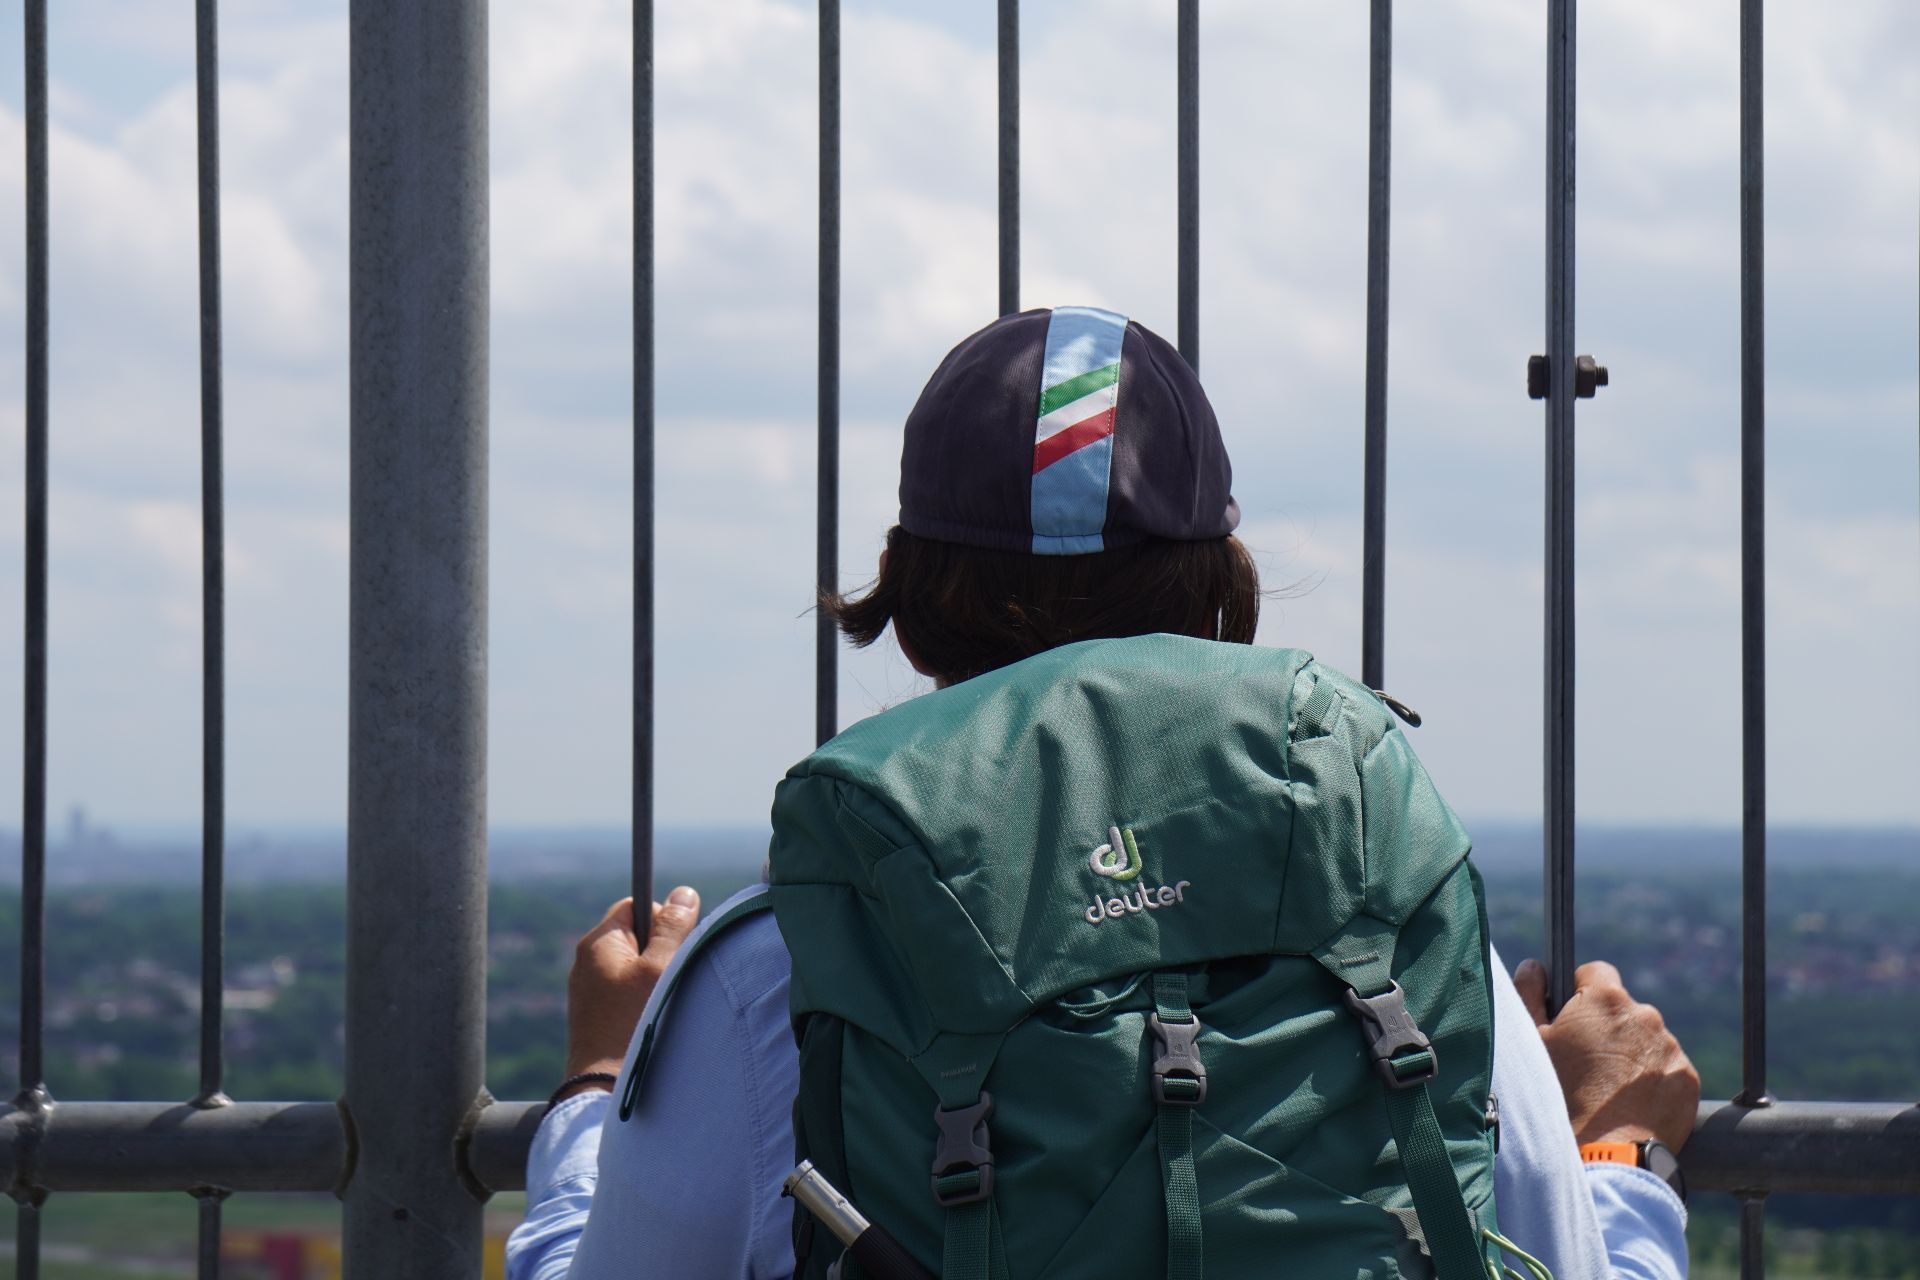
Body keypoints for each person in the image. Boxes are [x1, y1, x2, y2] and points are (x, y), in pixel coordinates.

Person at [508, 308, 1699, 1280]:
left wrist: (596, 1089)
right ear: (1219, 596)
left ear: (913, 618)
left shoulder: (783, 963)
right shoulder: (1385, 922)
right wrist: (1612, 1152)